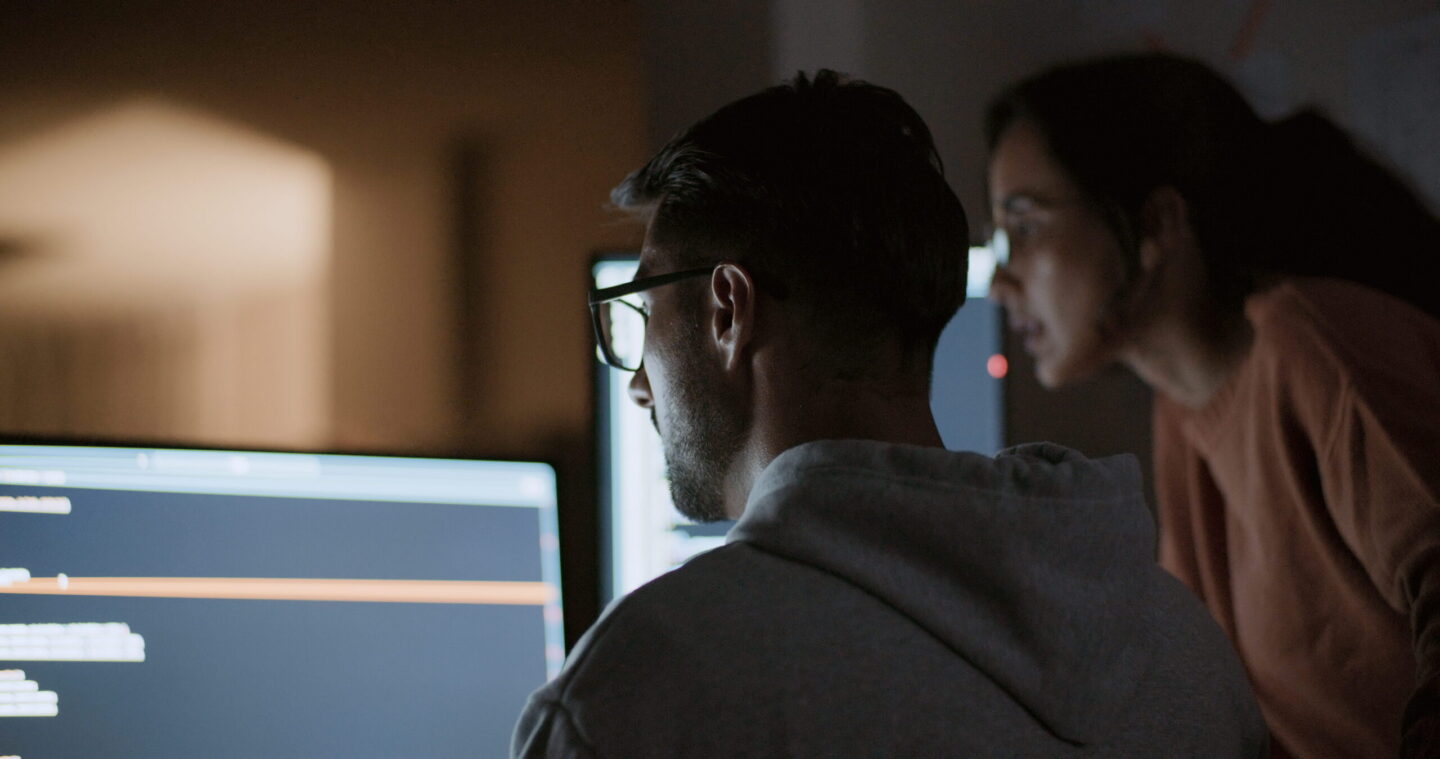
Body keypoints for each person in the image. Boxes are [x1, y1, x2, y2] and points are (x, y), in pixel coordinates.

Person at [512, 70, 1266, 758]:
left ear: (727, 311)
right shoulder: (1190, 653)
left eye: (642, 311)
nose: (639, 382)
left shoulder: (640, 693)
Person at [984, 52, 1440, 759]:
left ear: (1158, 222)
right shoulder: (1180, 414)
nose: (1002, 281)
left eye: (1027, 224)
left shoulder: (1311, 348)